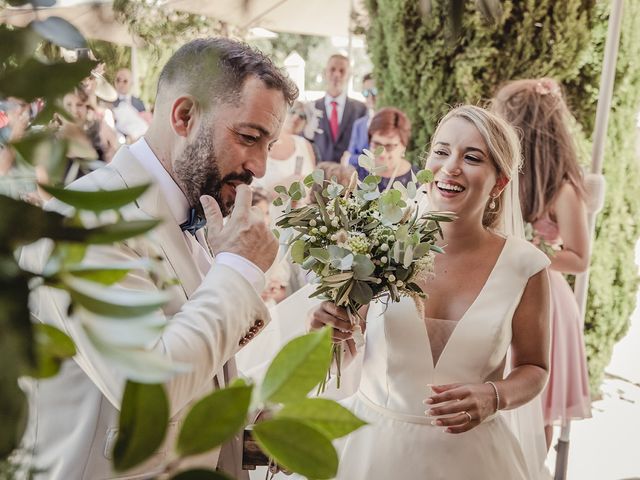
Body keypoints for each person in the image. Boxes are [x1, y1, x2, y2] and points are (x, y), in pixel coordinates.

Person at [19, 37, 298, 479]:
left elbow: (192, 355)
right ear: (184, 116)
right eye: (248, 137)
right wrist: (239, 268)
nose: (260, 165)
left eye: (269, 143)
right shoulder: (85, 221)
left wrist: (246, 426)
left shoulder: (195, 209)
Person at [305, 105, 551, 479]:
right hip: (375, 454)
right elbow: (338, 358)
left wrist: (495, 396)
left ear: (499, 183)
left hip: (475, 462)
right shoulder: (374, 243)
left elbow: (535, 368)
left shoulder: (525, 267)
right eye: (441, 151)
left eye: (471, 157)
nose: (451, 166)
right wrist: (325, 335)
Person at [491, 77, 592, 449]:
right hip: (501, 290)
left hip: (546, 300)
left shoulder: (563, 190)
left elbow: (580, 259)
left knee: (539, 410)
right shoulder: (501, 178)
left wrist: (534, 248)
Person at [252, 100, 315, 201]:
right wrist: (280, 188)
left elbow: (314, 185)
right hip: (266, 213)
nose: (296, 118)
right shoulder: (263, 140)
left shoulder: (305, 145)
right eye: (293, 112)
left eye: (302, 116)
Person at [310, 54, 367, 163]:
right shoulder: (312, 107)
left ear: (349, 76)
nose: (337, 74)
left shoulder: (361, 109)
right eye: (332, 69)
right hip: (318, 173)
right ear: (324, 72)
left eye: (342, 71)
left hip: (349, 174)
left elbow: (363, 145)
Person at [352, 107, 416, 190]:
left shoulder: (417, 182)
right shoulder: (354, 174)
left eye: (389, 146)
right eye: (376, 144)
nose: (382, 153)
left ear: (403, 146)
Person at [347, 73, 376, 166]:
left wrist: (359, 158)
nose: (370, 97)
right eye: (366, 93)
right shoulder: (359, 124)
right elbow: (349, 157)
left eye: (374, 91)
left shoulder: (390, 121)